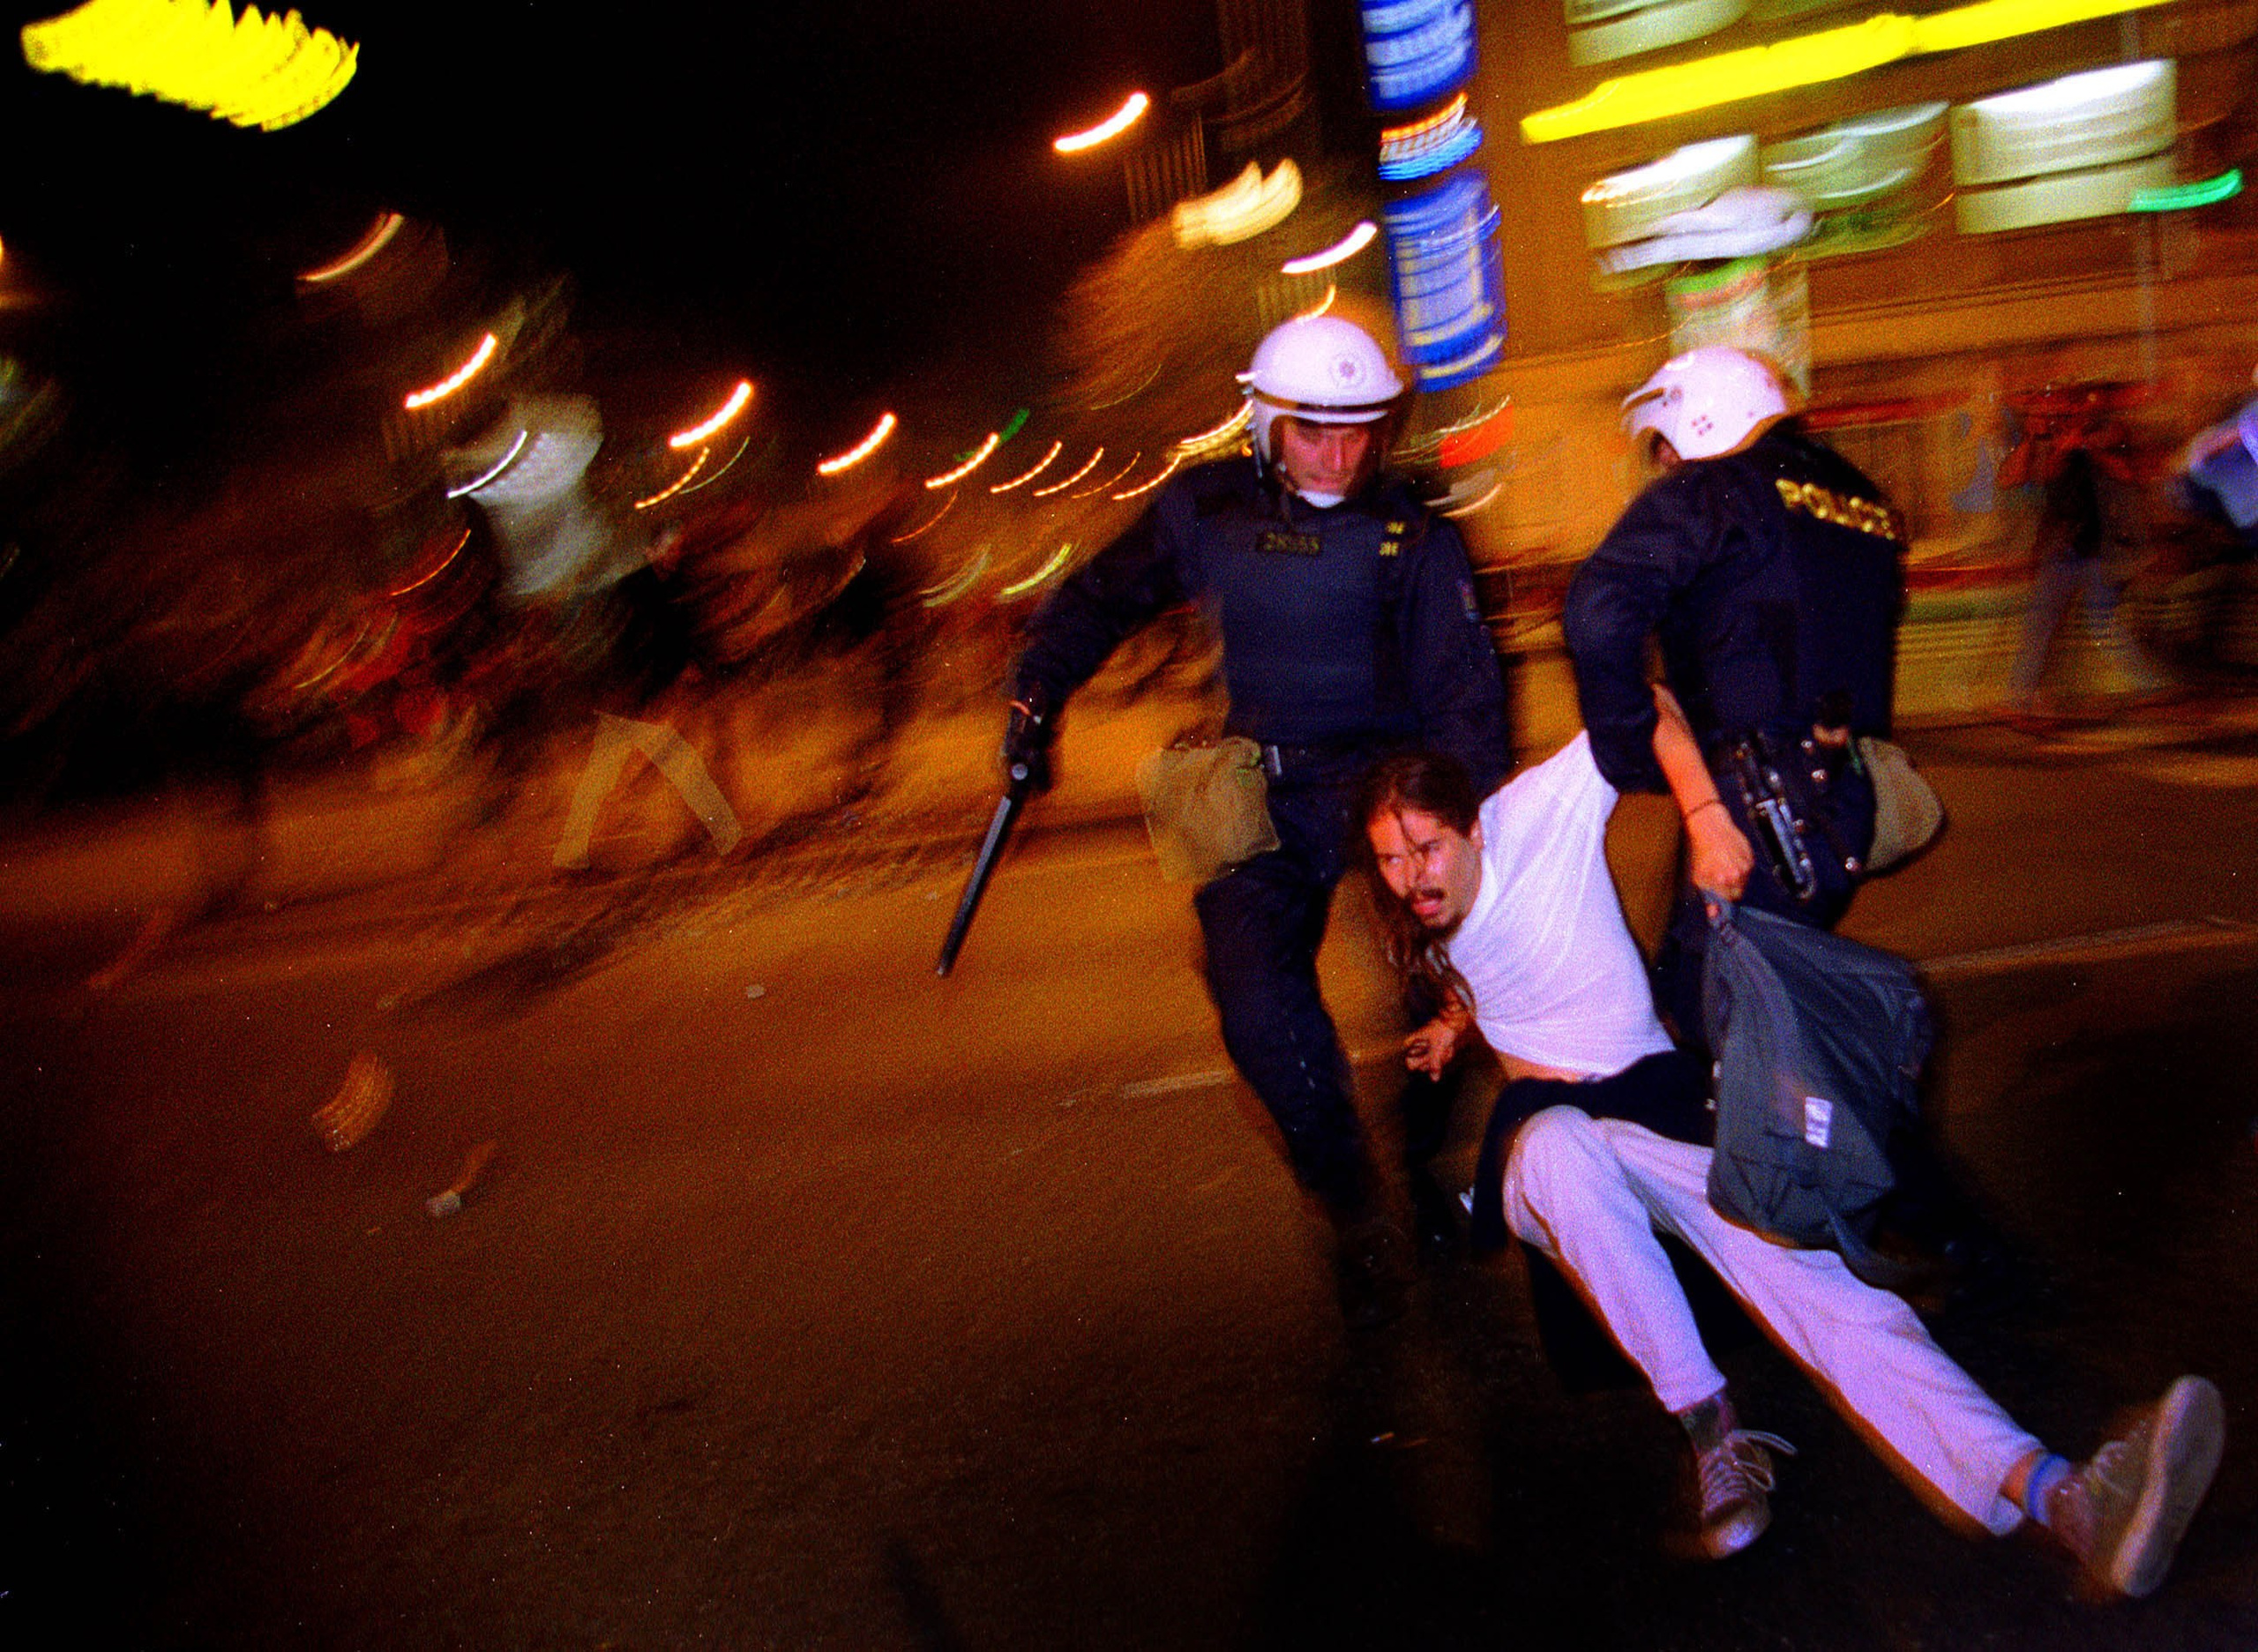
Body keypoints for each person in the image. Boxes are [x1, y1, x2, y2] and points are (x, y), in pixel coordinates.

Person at [1354, 705, 2224, 1593]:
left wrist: (1699, 813)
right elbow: (1486, 964)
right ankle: (1712, 1434)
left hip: (1654, 1110)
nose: (1409, 878)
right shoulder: (1422, 907)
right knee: (1549, 1149)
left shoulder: (1539, 809)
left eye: (1425, 849)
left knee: (1818, 1287)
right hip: (1555, 1144)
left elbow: (1642, 701)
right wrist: (1453, 1024)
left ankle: (2061, 1497)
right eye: (1388, 860)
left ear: (1473, 824)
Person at [1005, 314, 1511, 1326]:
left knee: (1441, 994)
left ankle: (1420, 1167)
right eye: (1314, 431)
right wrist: (1032, 702)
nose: (1340, 453)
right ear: (1266, 424)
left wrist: (1461, 827)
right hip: (1259, 793)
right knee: (1254, 1006)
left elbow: (1468, 694)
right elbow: (1096, 600)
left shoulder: (1418, 534)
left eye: (1362, 430)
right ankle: (1348, 1196)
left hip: (1388, 792)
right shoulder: (1206, 510)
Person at [1560, 347, 1903, 1045]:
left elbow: (1599, 611)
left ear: (1698, 423)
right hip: (1848, 795)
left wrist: (1628, 744)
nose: (1663, 468)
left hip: (1758, 802)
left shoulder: (1717, 489)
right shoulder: (1863, 498)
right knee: (1759, 1010)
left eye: (1664, 450)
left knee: (1718, 1033)